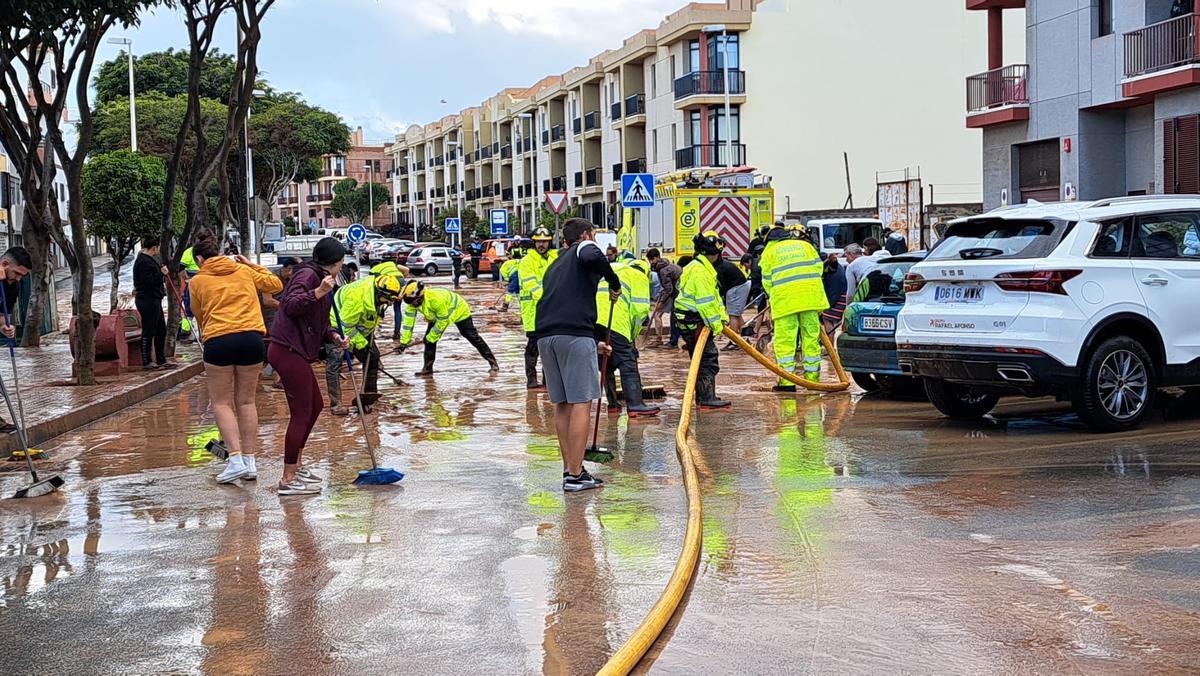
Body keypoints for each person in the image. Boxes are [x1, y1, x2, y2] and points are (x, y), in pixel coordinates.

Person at [188, 232, 284, 485]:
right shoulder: (243, 271)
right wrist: (250, 264)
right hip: (251, 340)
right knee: (246, 402)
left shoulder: (197, 281)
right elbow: (276, 285)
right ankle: (250, 462)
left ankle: (235, 459)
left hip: (219, 341)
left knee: (221, 402)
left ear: (200, 258)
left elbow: (198, 314)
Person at [536, 217, 621, 492]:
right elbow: (590, 252)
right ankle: (575, 475)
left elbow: (565, 305)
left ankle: (570, 469)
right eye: (593, 235)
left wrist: (593, 343)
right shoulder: (584, 248)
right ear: (586, 234)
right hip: (573, 337)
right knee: (582, 401)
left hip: (547, 337)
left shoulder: (554, 266)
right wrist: (613, 283)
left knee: (562, 404)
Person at [266, 237, 346, 495]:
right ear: (335, 263)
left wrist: (333, 336)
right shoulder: (308, 277)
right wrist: (319, 292)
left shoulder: (320, 277)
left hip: (297, 349)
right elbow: (290, 306)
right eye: (342, 262)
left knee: (317, 405)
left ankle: (297, 465)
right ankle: (288, 477)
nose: (342, 266)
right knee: (301, 412)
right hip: (287, 349)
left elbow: (318, 321)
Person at [760, 223, 828, 391]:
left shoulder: (769, 252)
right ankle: (812, 381)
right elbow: (819, 270)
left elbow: (767, 282)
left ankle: (787, 382)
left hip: (785, 303)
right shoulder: (806, 246)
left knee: (785, 342)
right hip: (810, 300)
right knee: (811, 340)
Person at [331, 271, 404, 411]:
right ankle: (340, 404)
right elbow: (346, 326)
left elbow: (373, 311)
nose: (390, 303)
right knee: (355, 359)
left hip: (360, 325)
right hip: (340, 326)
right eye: (388, 300)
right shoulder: (357, 299)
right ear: (380, 293)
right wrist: (362, 343)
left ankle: (369, 395)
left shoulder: (376, 291)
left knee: (373, 357)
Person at [596, 259, 660, 417]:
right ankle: (635, 404)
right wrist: (631, 337)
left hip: (594, 321)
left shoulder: (614, 268)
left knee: (606, 363)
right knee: (628, 363)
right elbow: (639, 311)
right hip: (617, 323)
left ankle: (612, 404)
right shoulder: (638, 276)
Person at [674, 232, 731, 409]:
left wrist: (723, 318)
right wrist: (716, 326)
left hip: (690, 320)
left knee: (699, 359)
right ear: (712, 253)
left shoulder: (697, 267)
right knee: (707, 358)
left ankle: (704, 396)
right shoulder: (701, 272)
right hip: (695, 321)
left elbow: (715, 298)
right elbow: (706, 304)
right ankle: (707, 398)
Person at [397, 281, 500, 375]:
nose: (413, 305)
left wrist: (431, 337)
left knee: (472, 336)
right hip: (437, 316)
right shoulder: (411, 304)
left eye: (415, 302)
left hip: (459, 311)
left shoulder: (435, 299)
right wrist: (404, 342)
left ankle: (493, 363)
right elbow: (408, 325)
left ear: (421, 296)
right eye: (411, 303)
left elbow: (443, 321)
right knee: (429, 342)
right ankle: (427, 369)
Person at [517, 227, 558, 389]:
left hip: (553, 311)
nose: (542, 245)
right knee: (534, 347)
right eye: (539, 242)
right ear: (534, 243)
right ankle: (531, 379)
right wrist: (550, 299)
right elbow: (532, 286)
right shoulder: (527, 262)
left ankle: (548, 379)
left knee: (550, 347)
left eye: (545, 242)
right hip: (534, 312)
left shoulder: (555, 258)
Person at [0, 247, 31, 433]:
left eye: (22, 276)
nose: (18, 278)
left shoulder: (13, 286)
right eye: (17, 273)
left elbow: (3, 315)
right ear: (5, 265)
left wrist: (5, 327)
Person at [132, 236, 174, 371]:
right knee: (149, 329)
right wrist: (161, 275)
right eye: (158, 247)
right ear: (154, 247)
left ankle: (161, 359)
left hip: (155, 298)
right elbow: (147, 282)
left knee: (161, 329)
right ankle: (147, 361)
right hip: (147, 299)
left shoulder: (151, 259)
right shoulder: (143, 261)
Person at [646, 248, 681, 348]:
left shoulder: (663, 270)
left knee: (671, 316)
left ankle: (671, 341)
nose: (651, 262)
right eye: (650, 260)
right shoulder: (664, 266)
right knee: (663, 315)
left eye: (652, 259)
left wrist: (661, 301)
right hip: (675, 293)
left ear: (657, 257)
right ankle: (664, 339)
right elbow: (667, 286)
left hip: (677, 294)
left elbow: (669, 289)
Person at [716, 255, 750, 349]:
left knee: (733, 315)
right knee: (737, 313)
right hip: (742, 285)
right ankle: (744, 338)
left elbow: (721, 286)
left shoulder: (718, 268)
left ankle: (734, 342)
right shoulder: (722, 264)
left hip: (736, 287)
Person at [820, 253, 848, 336]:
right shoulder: (838, 267)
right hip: (842, 298)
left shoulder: (830, 272)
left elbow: (832, 294)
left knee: (827, 320)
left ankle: (830, 347)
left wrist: (824, 307)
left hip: (836, 301)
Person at [499, 246, 523, 312]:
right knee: (519, 293)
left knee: (509, 292)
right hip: (521, 278)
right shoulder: (523, 261)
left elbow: (502, 270)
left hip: (514, 278)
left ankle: (505, 307)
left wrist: (507, 279)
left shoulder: (508, 262)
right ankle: (522, 306)